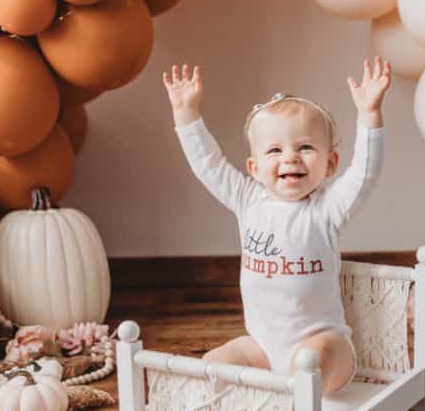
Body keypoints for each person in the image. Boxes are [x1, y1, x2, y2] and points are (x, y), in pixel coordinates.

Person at [164, 57, 391, 392]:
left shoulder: (327, 209)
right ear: (254, 168)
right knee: (214, 363)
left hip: (323, 343)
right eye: (275, 150)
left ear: (330, 164)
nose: (290, 157)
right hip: (262, 348)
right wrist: (186, 113)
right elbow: (208, 163)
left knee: (312, 361)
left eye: (305, 147)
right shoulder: (247, 200)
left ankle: (290, 410)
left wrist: (369, 115)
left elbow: (365, 173)